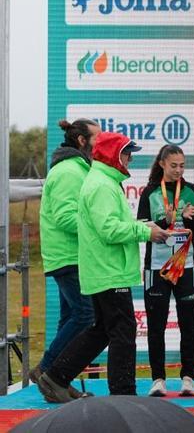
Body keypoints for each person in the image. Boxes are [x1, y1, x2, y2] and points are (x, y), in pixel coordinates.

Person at [36, 132, 170, 403]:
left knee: (101, 331)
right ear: (113, 155)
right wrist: (145, 232)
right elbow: (109, 229)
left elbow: (108, 225)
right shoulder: (102, 185)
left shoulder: (102, 181)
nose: (131, 157)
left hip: (104, 269)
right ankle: (123, 394)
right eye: (127, 152)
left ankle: (57, 376)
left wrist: (143, 227)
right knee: (122, 331)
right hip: (108, 270)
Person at [35, 119, 100, 394]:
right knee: (87, 317)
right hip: (68, 256)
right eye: (97, 137)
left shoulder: (77, 168)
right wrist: (100, 228)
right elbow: (64, 217)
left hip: (71, 255)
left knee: (72, 317)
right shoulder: (69, 171)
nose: (102, 142)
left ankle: (59, 379)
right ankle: (48, 371)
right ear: (82, 141)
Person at [137, 145, 194, 397]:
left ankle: (188, 378)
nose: (178, 170)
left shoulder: (192, 191)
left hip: (186, 265)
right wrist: (166, 220)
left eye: (182, 165)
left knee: (188, 324)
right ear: (162, 164)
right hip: (158, 267)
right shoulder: (150, 192)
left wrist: (187, 220)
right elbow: (142, 226)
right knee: (156, 325)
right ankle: (158, 379)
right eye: (173, 165)